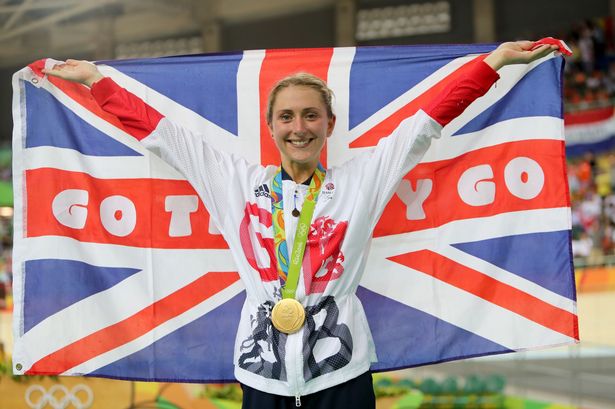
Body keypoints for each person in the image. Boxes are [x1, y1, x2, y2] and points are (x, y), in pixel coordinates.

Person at [43, 40, 560, 409]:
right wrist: (95, 81)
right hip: (260, 376)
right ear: (270, 127)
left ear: (329, 125)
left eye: (311, 116)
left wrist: (492, 65)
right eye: (287, 117)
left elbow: (422, 126)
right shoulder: (235, 182)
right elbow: (161, 134)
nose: (299, 128)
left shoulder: (361, 181)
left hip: (343, 377)